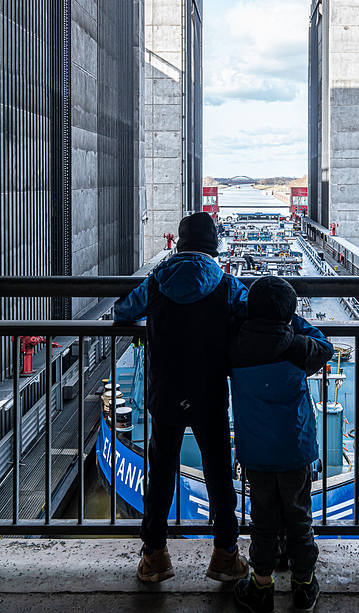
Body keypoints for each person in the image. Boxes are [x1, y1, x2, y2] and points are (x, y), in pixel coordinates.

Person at [114, 212, 249, 583]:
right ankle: (225, 555)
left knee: (159, 472)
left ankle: (155, 556)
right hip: (209, 394)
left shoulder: (157, 282)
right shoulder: (227, 286)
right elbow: (254, 313)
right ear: (214, 247)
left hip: (166, 393)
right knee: (220, 473)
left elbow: (122, 311)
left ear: (179, 245)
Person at [229, 276, 334, 613]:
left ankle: (261, 587)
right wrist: (294, 321)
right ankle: (303, 585)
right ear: (288, 315)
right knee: (300, 518)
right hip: (295, 450)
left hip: (256, 453)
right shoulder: (298, 349)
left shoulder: (236, 348)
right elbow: (325, 346)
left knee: (262, 520)